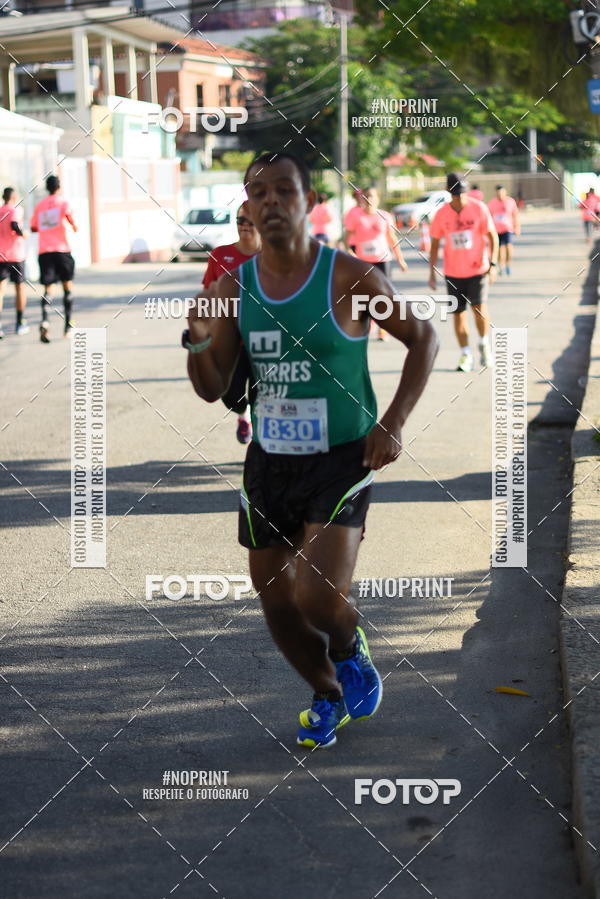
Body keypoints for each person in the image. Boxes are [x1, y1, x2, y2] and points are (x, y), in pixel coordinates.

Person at [185, 152, 438, 748]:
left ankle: (349, 649)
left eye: (284, 191)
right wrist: (198, 345)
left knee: (318, 598)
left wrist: (394, 421)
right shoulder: (232, 287)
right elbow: (214, 387)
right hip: (270, 461)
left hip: (342, 456)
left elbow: (421, 337)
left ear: (308, 202)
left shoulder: (350, 276)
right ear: (246, 208)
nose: (271, 201)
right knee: (276, 601)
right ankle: (328, 694)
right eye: (259, 193)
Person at [202, 203, 261, 444]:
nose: (244, 226)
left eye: (250, 221)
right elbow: (208, 293)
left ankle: (262, 442)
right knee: (230, 394)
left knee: (263, 396)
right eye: (240, 221)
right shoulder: (219, 255)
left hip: (263, 337)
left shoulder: (274, 255)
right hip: (229, 338)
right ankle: (242, 414)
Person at [429, 172, 498, 372]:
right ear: (448, 192)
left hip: (478, 269)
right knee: (458, 314)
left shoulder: (479, 209)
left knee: (479, 309)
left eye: (463, 193)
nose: (461, 198)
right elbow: (434, 243)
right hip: (453, 272)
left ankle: (484, 344)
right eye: (456, 194)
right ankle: (465, 354)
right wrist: (432, 271)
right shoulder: (441, 214)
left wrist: (493, 264)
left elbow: (493, 236)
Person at [352, 186, 408, 340]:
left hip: (383, 261)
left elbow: (392, 239)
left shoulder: (385, 216)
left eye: (372, 196)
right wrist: (351, 255)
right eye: (366, 196)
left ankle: (383, 328)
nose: (369, 199)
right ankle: (368, 324)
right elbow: (348, 237)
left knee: (384, 296)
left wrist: (401, 260)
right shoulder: (357, 217)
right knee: (365, 296)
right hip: (363, 262)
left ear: (378, 199)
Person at [30, 174, 77, 342]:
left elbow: (33, 227)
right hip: (62, 250)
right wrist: (73, 225)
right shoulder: (63, 202)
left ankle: (44, 321)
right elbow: (71, 220)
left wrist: (47, 224)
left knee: (48, 289)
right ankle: (68, 327)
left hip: (45, 252)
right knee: (67, 287)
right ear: (59, 187)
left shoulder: (40, 205)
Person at [0, 187, 29, 338]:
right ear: (14, 197)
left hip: (1, 256)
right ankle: (20, 323)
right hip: (16, 256)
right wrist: (23, 233)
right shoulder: (14, 210)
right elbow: (14, 225)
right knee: (20, 288)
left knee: (0, 291)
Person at [488, 185, 520, 275]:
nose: (500, 194)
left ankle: (508, 264)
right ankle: (500, 265)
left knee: (508, 246)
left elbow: (515, 215)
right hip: (496, 229)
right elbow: (488, 216)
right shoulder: (492, 203)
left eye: (501, 192)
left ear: (505, 192)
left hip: (507, 228)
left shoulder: (510, 201)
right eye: (498, 193)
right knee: (498, 248)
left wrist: (517, 227)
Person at [343, 188, 365, 254]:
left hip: (367, 243)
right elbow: (348, 230)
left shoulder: (369, 211)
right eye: (357, 196)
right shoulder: (351, 212)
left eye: (362, 195)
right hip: (355, 244)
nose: (360, 197)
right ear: (355, 197)